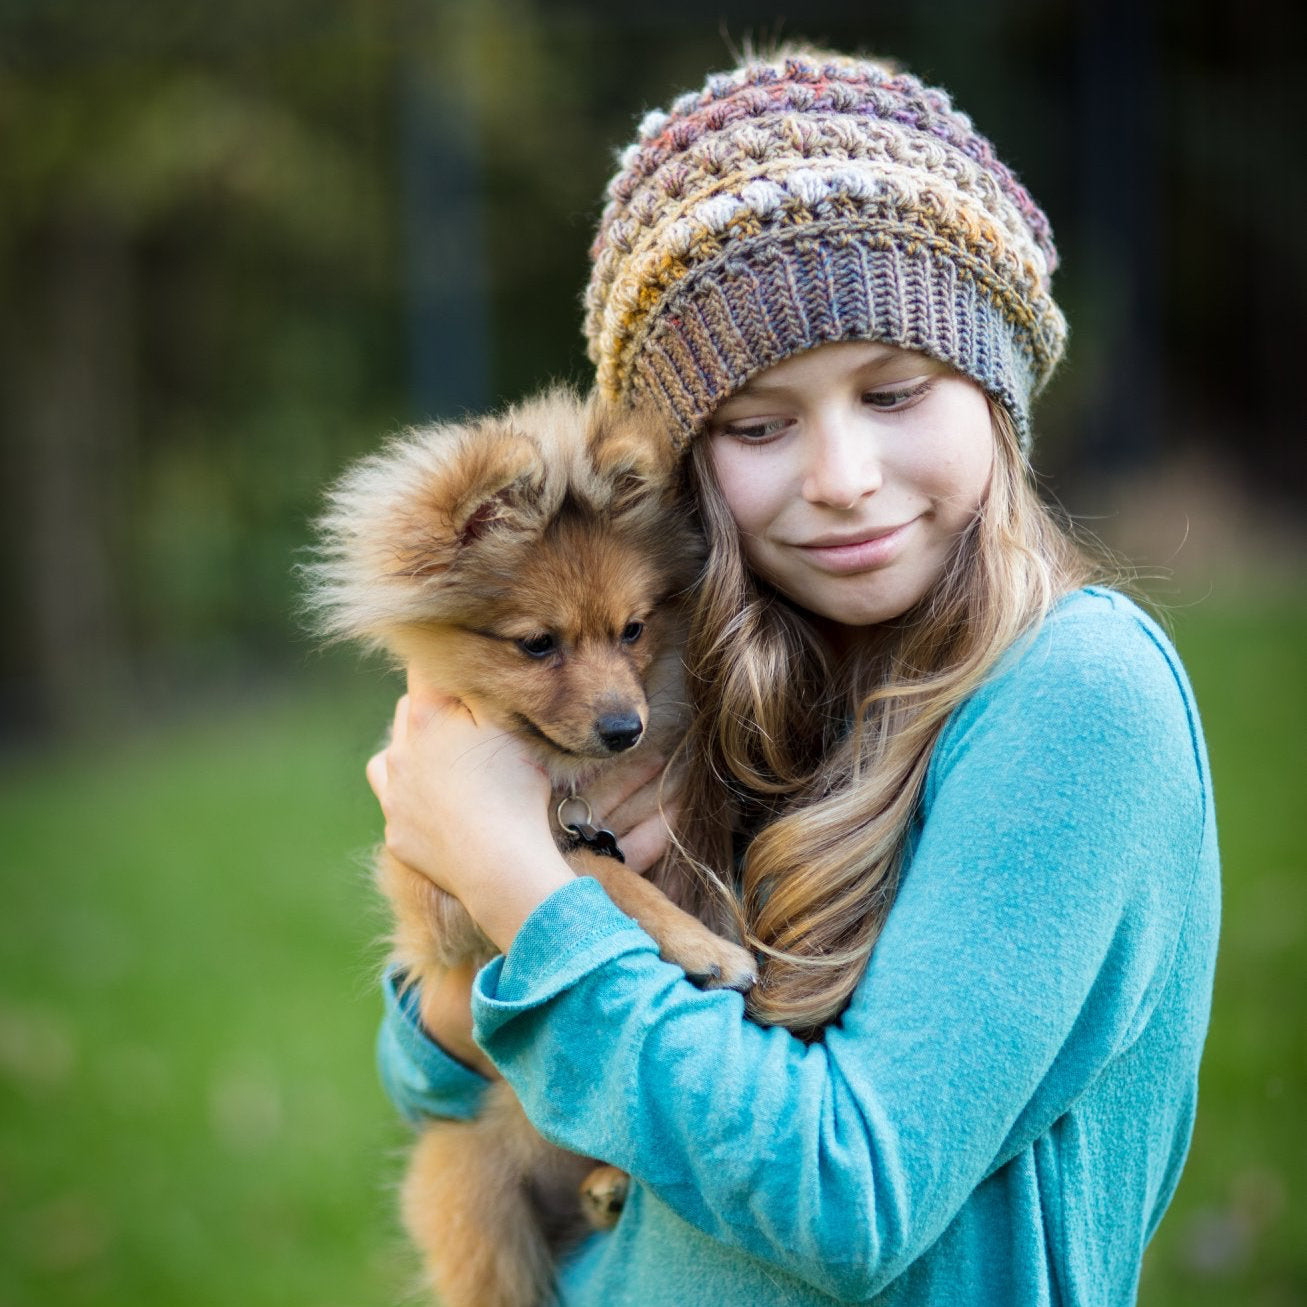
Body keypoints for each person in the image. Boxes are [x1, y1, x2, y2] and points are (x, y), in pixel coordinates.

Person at [365, 47, 1219, 1305]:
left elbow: (847, 1197)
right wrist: (475, 909)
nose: (841, 478)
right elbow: (424, 1069)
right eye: (759, 425)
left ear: (993, 389)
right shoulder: (728, 667)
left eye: (893, 391)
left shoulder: (1074, 695)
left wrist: (514, 876)